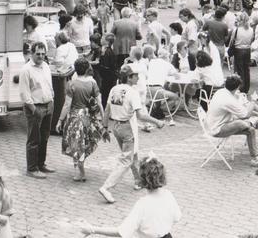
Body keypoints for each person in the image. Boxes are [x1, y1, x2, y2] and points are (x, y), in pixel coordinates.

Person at [98, 65, 165, 204]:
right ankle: (106, 187)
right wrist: (157, 121)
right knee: (125, 160)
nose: (138, 77)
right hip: (127, 127)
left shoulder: (114, 89)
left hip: (115, 127)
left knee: (132, 154)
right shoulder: (132, 92)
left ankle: (138, 181)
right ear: (129, 77)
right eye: (135, 75)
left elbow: (107, 110)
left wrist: (105, 127)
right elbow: (141, 115)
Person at [81, 157, 181, 238]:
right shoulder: (168, 195)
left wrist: (93, 229)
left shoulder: (143, 204)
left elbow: (121, 231)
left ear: (142, 180)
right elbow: (177, 217)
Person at [204, 75, 258, 168]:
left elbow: (243, 110)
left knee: (252, 129)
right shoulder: (228, 99)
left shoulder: (222, 92)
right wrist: (253, 100)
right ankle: (253, 123)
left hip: (218, 123)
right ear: (237, 87)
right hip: (217, 128)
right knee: (242, 123)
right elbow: (245, 115)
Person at [57, 58, 106, 182]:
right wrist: (103, 120)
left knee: (76, 144)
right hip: (87, 117)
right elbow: (100, 103)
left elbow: (67, 105)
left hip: (74, 118)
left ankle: (81, 172)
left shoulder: (71, 84)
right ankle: (79, 170)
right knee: (83, 144)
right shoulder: (92, 83)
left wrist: (60, 120)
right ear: (87, 68)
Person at [19, 42, 56, 179]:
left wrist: (52, 101)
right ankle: (32, 168)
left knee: (45, 137)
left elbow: (49, 86)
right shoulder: (26, 70)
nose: (41, 56)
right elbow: (24, 93)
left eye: (43, 53)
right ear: (32, 54)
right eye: (38, 54)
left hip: (48, 106)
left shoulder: (46, 66)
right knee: (34, 139)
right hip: (35, 108)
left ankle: (41, 164)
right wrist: (34, 109)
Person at [145, 49, 180, 125]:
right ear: (167, 57)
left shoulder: (152, 62)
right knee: (175, 97)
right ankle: (160, 109)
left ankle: (155, 108)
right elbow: (177, 76)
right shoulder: (167, 64)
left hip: (147, 89)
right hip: (157, 90)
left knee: (161, 92)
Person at [230, 12, 254, 94]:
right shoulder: (251, 30)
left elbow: (232, 41)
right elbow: (251, 40)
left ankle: (241, 87)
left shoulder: (237, 30)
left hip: (238, 50)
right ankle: (246, 88)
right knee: (246, 69)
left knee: (239, 70)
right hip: (247, 50)